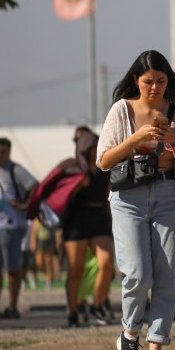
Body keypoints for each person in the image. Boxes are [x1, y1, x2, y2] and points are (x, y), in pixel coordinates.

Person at [96, 50, 175, 350]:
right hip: (129, 197)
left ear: (169, 82)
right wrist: (135, 138)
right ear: (135, 81)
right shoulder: (121, 111)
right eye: (148, 81)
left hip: (170, 195)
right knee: (138, 273)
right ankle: (129, 333)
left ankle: (156, 345)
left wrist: (173, 140)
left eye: (161, 81)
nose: (155, 87)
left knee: (168, 274)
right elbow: (103, 160)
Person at [62, 129, 115, 328]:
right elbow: (62, 196)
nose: (94, 150)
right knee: (75, 269)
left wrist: (113, 221)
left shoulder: (105, 167)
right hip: (76, 220)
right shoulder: (74, 168)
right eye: (91, 147)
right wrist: (77, 186)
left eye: (96, 146)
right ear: (84, 149)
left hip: (99, 217)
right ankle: (73, 312)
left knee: (107, 264)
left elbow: (109, 194)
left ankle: (97, 304)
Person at [0, 137, 38, 319]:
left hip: (11, 227)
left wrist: (25, 205)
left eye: (2, 152)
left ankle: (12, 306)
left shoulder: (15, 170)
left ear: (9, 152)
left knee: (12, 269)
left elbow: (35, 186)